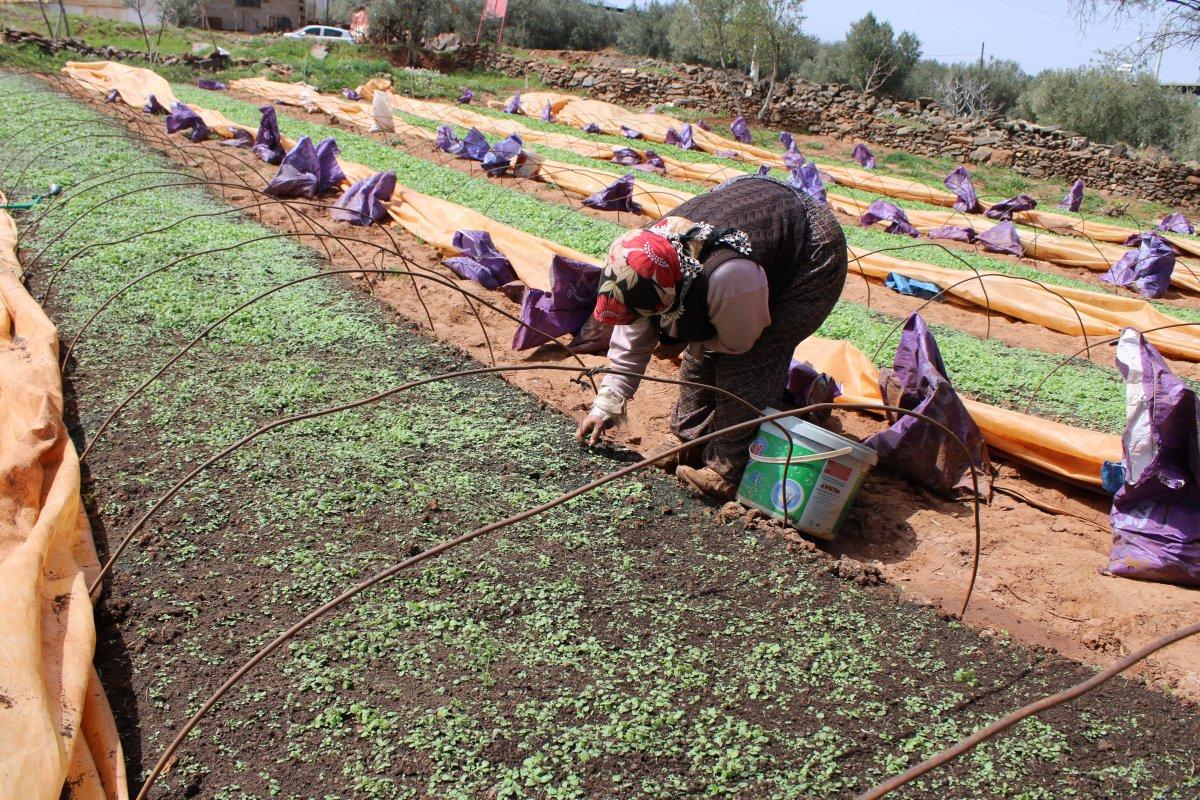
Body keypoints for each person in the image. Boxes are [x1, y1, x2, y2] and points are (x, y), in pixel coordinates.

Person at [575, 173, 848, 500]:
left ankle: (728, 468)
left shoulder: (728, 278)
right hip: (754, 223)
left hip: (811, 253)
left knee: (747, 362)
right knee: (699, 347)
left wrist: (690, 338)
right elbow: (631, 341)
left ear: (667, 299)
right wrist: (605, 406)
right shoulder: (638, 263)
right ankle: (687, 440)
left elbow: (740, 343)